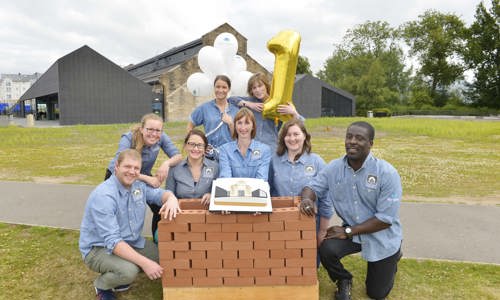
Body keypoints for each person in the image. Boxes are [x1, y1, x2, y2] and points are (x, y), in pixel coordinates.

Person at [300, 121, 403, 300]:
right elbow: (312, 186)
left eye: (359, 138)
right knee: (326, 247)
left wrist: (347, 231)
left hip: (381, 236)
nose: (352, 141)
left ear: (371, 143)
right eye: (349, 137)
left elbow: (385, 219)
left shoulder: (387, 173)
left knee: (376, 294)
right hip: (353, 232)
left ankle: (394, 256)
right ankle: (343, 279)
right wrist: (307, 199)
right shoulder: (334, 168)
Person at [79, 149, 181, 300]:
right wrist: (145, 263)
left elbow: (160, 195)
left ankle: (122, 267)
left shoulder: (138, 186)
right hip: (99, 248)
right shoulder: (104, 196)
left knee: (163, 257)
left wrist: (171, 198)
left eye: (136, 168)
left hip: (130, 241)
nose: (132, 172)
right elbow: (113, 242)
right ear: (116, 167)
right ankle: (102, 285)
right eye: (127, 167)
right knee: (129, 271)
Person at [106, 113, 182, 237]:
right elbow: (119, 168)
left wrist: (166, 163)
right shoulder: (128, 138)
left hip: (142, 176)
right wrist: (149, 179)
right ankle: (116, 240)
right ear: (142, 129)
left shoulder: (161, 137)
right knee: (120, 209)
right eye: (150, 129)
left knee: (160, 206)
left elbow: (178, 156)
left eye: (157, 130)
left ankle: (159, 239)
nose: (154, 133)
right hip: (118, 177)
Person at [268, 119, 332, 254]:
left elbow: (326, 199)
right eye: (288, 135)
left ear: (304, 136)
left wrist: (322, 231)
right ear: (283, 138)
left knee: (307, 265)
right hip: (282, 221)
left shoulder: (317, 162)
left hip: (309, 222)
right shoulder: (274, 161)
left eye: (296, 134)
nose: (292, 139)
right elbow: (270, 190)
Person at [228, 72, 304, 153]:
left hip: (271, 148)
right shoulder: (251, 101)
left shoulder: (277, 103)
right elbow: (230, 99)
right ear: (251, 90)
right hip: (252, 149)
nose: (258, 90)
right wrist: (249, 104)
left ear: (266, 86)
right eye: (254, 88)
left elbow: (300, 125)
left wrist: (294, 112)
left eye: (260, 86)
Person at [187, 75, 240, 158]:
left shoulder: (236, 111)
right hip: (209, 156)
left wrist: (231, 124)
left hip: (229, 156)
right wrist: (196, 143)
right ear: (214, 88)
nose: (220, 90)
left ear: (229, 89)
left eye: (224, 87)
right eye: (217, 87)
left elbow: (238, 137)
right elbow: (190, 126)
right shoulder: (204, 108)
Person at [166, 129, 219, 207]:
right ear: (185, 145)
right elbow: (168, 195)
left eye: (200, 145)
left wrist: (213, 195)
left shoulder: (215, 167)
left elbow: (221, 195)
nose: (196, 149)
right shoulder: (174, 168)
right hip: (180, 214)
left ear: (205, 148)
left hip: (208, 215)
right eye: (191, 144)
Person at [218, 107, 271, 180]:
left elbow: (261, 180)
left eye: (247, 123)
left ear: (253, 126)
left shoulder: (264, 150)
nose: (243, 127)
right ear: (235, 126)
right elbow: (225, 179)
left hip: (256, 191)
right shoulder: (224, 150)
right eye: (239, 123)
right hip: (232, 191)